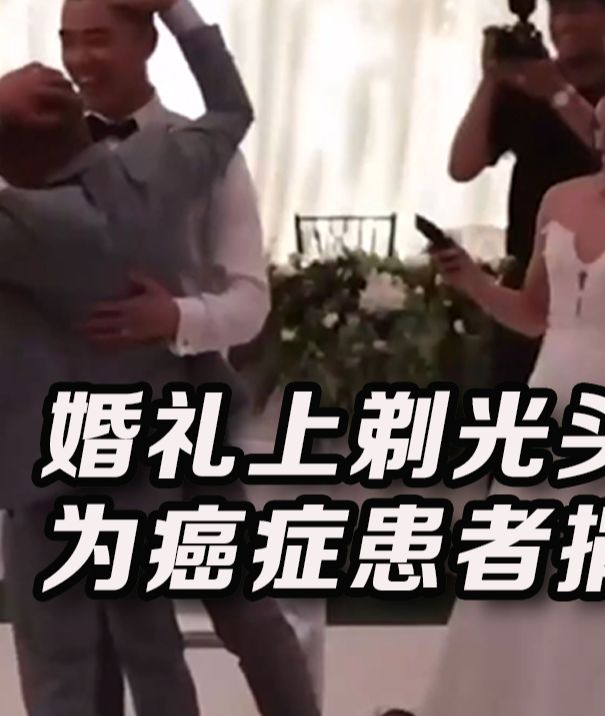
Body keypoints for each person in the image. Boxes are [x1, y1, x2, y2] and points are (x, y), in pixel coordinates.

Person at [54, 2, 322, 714]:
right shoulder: (42, 152)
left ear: (146, 40)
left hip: (183, 407)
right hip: (80, 412)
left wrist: (172, 317)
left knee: (240, 601)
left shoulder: (202, 148)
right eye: (68, 41)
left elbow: (250, 301)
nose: (80, 59)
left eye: (98, 39)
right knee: (98, 614)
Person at [0, 0, 252, 712]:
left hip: (47, 468)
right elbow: (232, 109)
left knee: (59, 664)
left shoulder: (22, 226)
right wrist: (176, 10)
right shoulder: (160, 167)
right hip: (143, 454)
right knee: (154, 648)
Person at [420, 96, 605, 716]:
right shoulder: (559, 198)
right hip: (551, 388)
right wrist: (472, 280)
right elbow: (534, 314)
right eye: (603, 125)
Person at [448, 0, 605, 389]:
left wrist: (558, 93)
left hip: (598, 280)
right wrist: (492, 80)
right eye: (557, 12)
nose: (565, 23)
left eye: (579, 10)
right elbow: (462, 166)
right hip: (528, 271)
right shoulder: (527, 88)